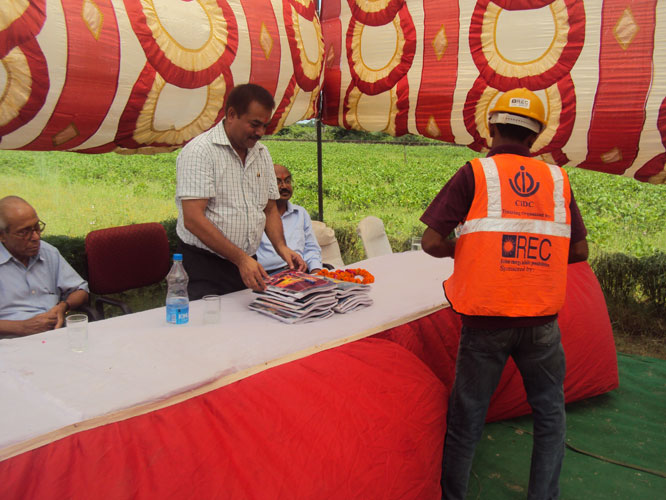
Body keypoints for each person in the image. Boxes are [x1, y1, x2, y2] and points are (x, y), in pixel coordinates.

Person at [420, 88, 589, 500]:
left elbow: (431, 242)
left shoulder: (474, 174)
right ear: (535, 137)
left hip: (486, 320)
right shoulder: (557, 179)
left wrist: (473, 250)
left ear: (491, 127)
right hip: (541, 321)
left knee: (467, 418)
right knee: (550, 415)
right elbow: (580, 251)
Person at [175, 83, 306, 299]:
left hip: (246, 262)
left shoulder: (261, 154)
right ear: (232, 114)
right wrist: (241, 259)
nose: (260, 133)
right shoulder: (199, 152)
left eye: (265, 125)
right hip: (205, 267)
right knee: (211, 319)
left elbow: (269, 209)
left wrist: (282, 248)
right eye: (254, 124)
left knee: (247, 318)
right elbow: (193, 219)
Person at [0, 196, 90, 338]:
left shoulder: (48, 253)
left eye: (37, 227)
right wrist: (22, 328)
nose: (36, 237)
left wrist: (63, 307)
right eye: (24, 232)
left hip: (54, 336)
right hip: (10, 343)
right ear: (2, 236)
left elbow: (81, 290)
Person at [256, 164, 322, 274]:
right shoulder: (256, 216)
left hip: (300, 272)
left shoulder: (300, 213)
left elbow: (311, 248)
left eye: (287, 181)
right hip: (268, 275)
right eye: (277, 182)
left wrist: (316, 272)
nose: (284, 186)